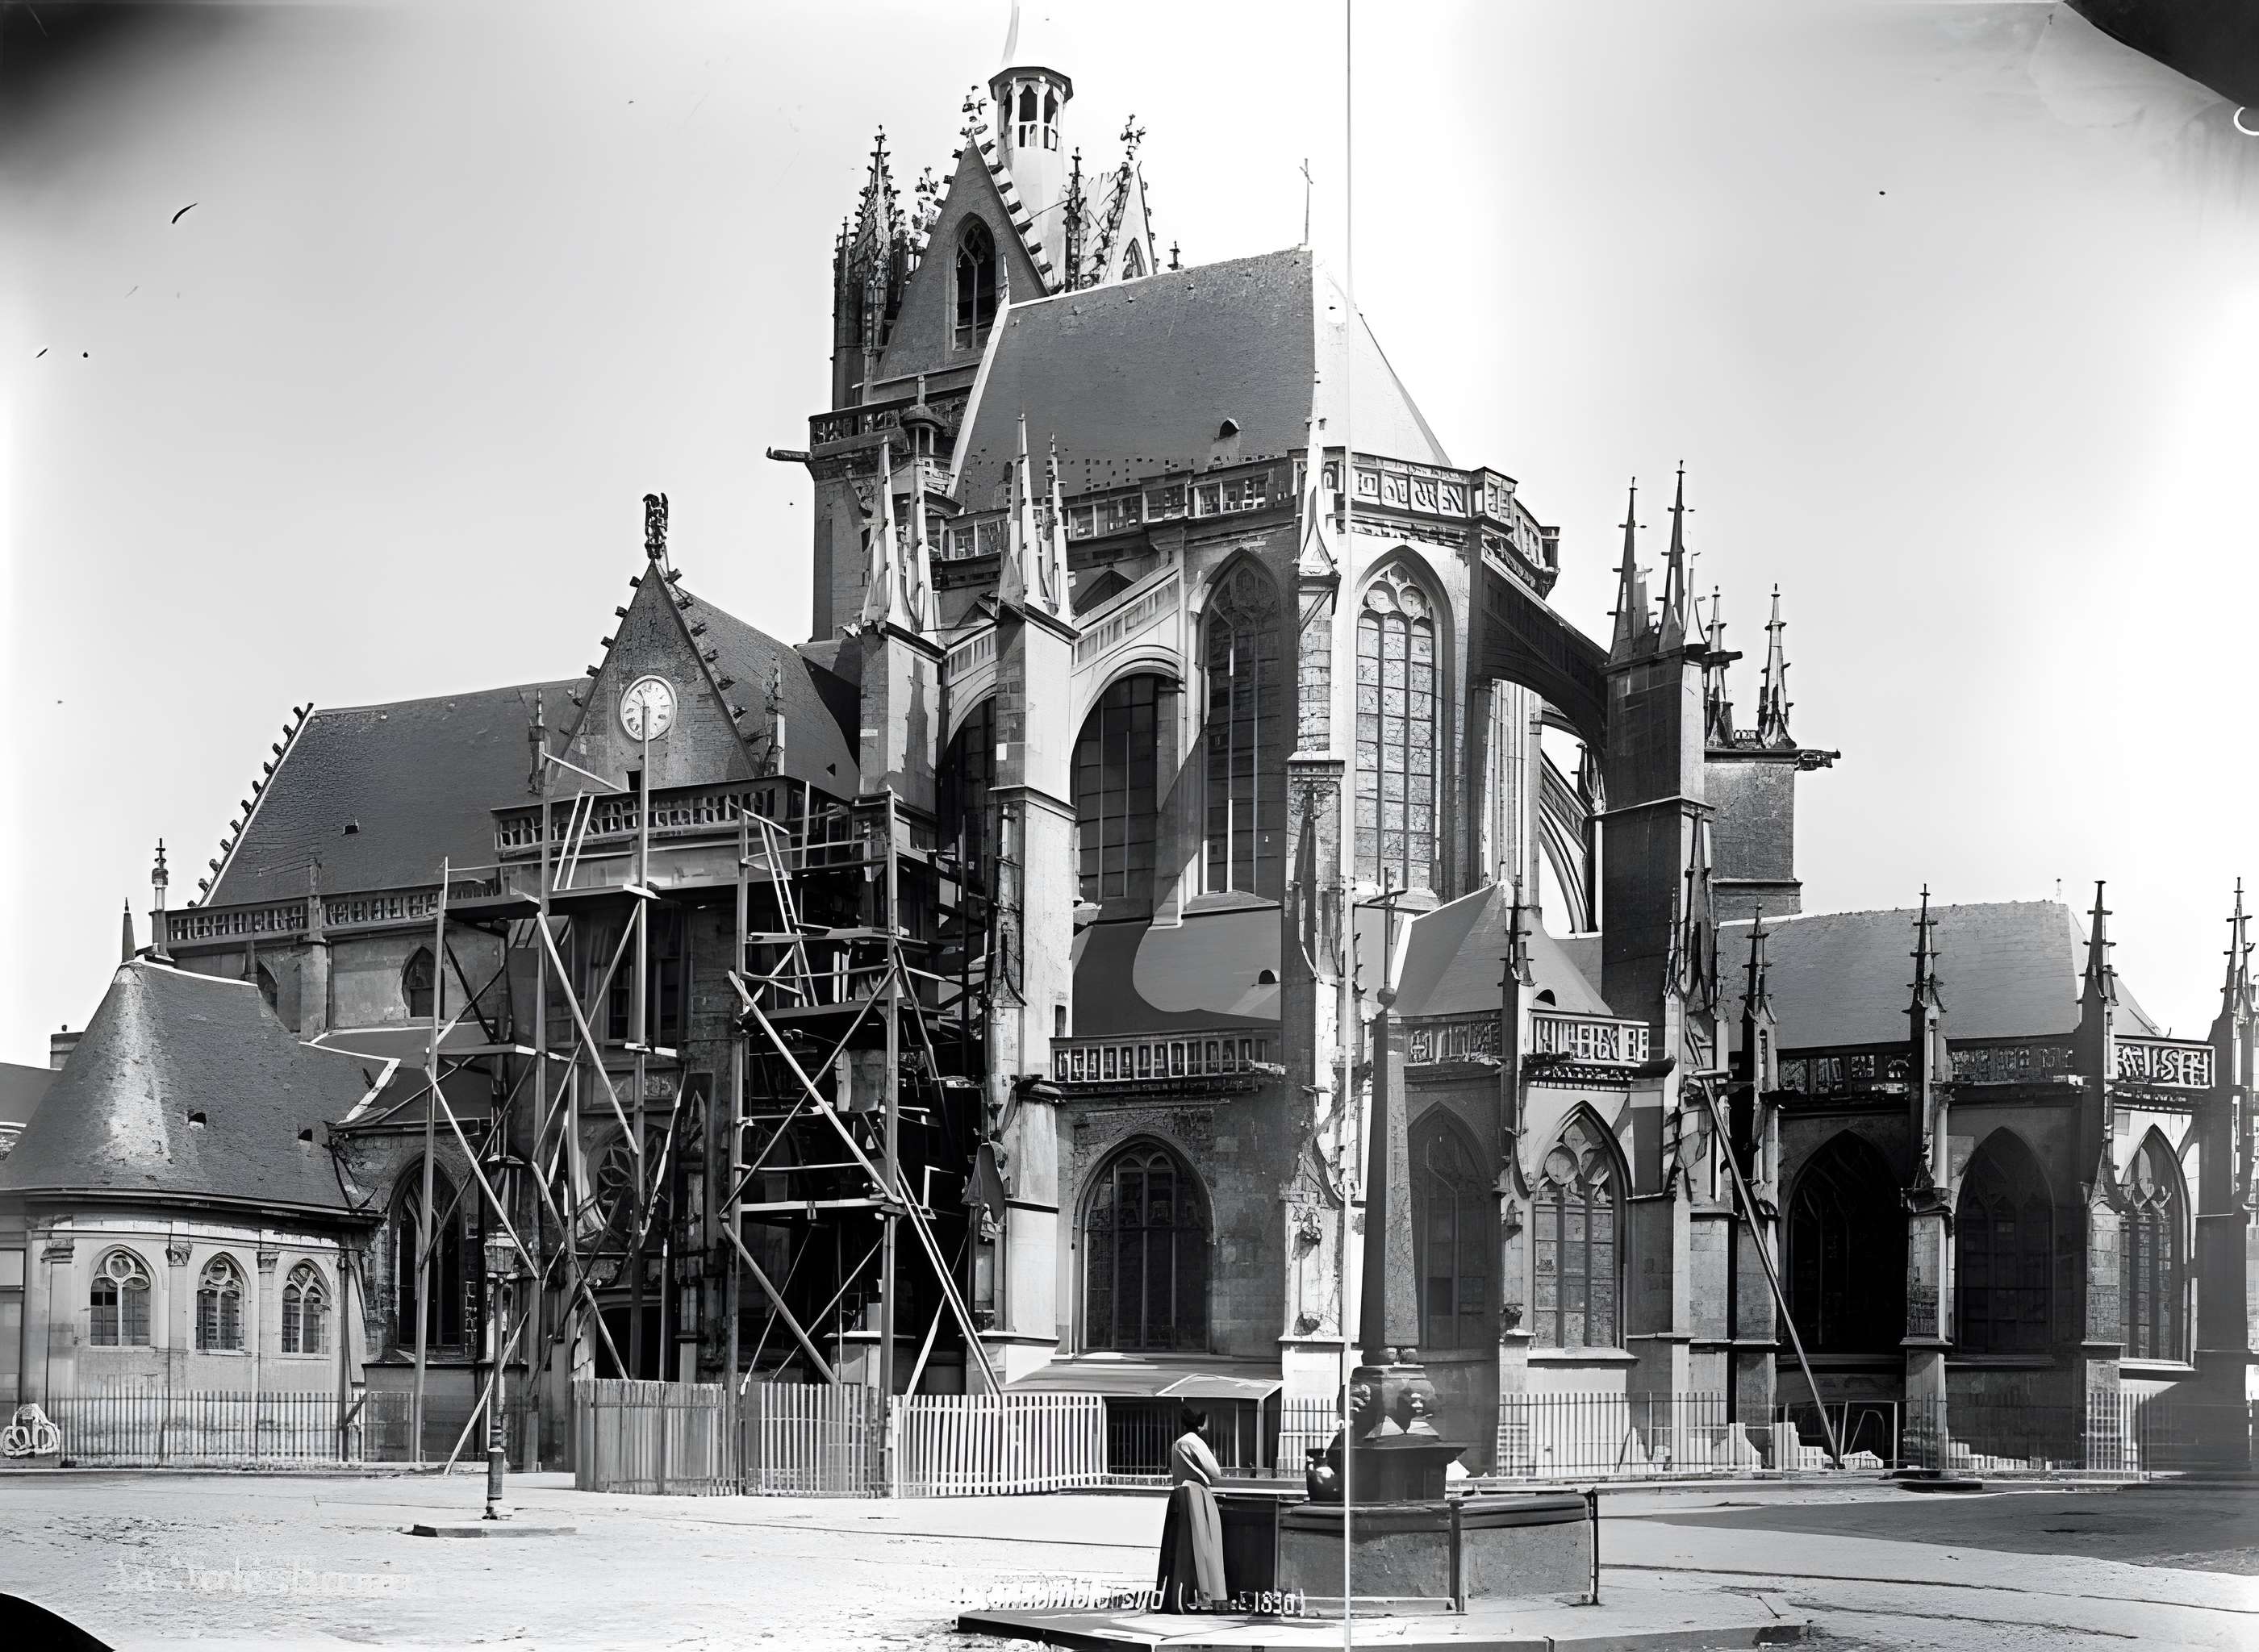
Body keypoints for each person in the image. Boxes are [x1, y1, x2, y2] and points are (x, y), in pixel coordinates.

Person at [1154, 1406, 1228, 1612]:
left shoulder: (1178, 1443)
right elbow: (1216, 1471)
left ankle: (1181, 1593)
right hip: (1196, 1494)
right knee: (1205, 1544)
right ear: (1201, 1424)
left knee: (1181, 1547)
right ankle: (1207, 1594)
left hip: (1180, 1493)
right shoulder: (1194, 1442)